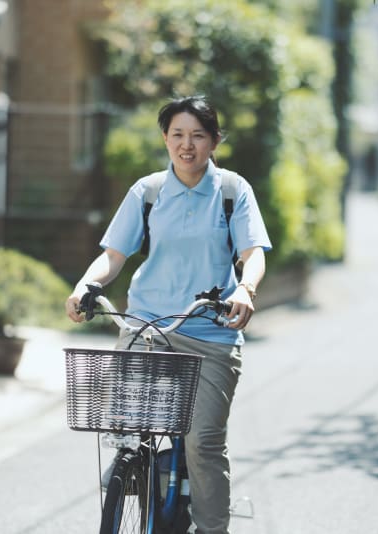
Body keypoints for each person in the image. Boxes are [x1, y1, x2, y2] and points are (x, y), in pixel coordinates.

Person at [66, 94, 271, 533]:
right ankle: (136, 467)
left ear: (215, 141)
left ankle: (211, 527)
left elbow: (253, 252)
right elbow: (114, 254)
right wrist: (86, 284)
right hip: (147, 326)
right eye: (177, 134)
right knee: (125, 425)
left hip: (209, 333)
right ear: (165, 138)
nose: (187, 144)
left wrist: (246, 289)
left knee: (202, 442)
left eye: (198, 135)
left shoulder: (233, 191)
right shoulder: (148, 192)